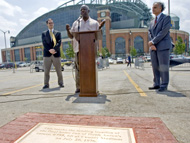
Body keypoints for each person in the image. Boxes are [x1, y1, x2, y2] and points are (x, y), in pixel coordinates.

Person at [66, 5, 105, 93]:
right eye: (81, 10)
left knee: (90, 69)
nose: (82, 11)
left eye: (84, 9)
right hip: (78, 50)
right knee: (78, 69)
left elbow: (97, 35)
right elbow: (71, 36)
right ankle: (79, 87)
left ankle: (91, 86)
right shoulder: (76, 23)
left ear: (89, 11)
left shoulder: (94, 23)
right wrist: (68, 31)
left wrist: (100, 27)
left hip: (90, 51)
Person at [148, 2, 172, 92]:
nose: (153, 9)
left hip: (163, 46)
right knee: (155, 66)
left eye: (155, 7)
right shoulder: (151, 21)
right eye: (152, 7)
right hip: (153, 47)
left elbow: (163, 32)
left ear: (160, 9)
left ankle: (164, 84)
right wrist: (152, 44)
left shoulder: (166, 18)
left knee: (163, 66)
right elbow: (149, 32)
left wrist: (153, 41)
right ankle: (157, 83)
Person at [41, 18, 64, 89]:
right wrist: (49, 50)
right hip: (47, 55)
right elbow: (44, 43)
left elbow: (59, 42)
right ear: (47, 24)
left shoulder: (58, 33)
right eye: (49, 23)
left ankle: (61, 83)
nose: (51, 24)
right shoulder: (44, 34)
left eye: (52, 23)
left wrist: (54, 49)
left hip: (56, 54)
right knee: (46, 71)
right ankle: (46, 84)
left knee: (59, 70)